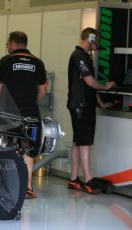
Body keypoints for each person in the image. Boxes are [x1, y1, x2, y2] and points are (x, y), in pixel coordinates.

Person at [0, 31, 47, 199]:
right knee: (29, 149)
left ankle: (8, 185)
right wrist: (29, 102)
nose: (7, 45)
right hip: (31, 114)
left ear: (13, 43)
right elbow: (43, 91)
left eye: (8, 42)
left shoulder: (6, 61)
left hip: (9, 113)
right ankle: (28, 187)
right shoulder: (38, 63)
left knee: (7, 146)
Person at [66, 27, 115, 193]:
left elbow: (89, 86)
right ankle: (88, 180)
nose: (98, 44)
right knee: (85, 141)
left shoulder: (85, 56)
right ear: (91, 38)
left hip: (83, 103)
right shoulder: (79, 55)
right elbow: (90, 81)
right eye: (97, 40)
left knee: (78, 141)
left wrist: (100, 102)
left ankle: (73, 179)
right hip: (81, 105)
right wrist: (106, 87)